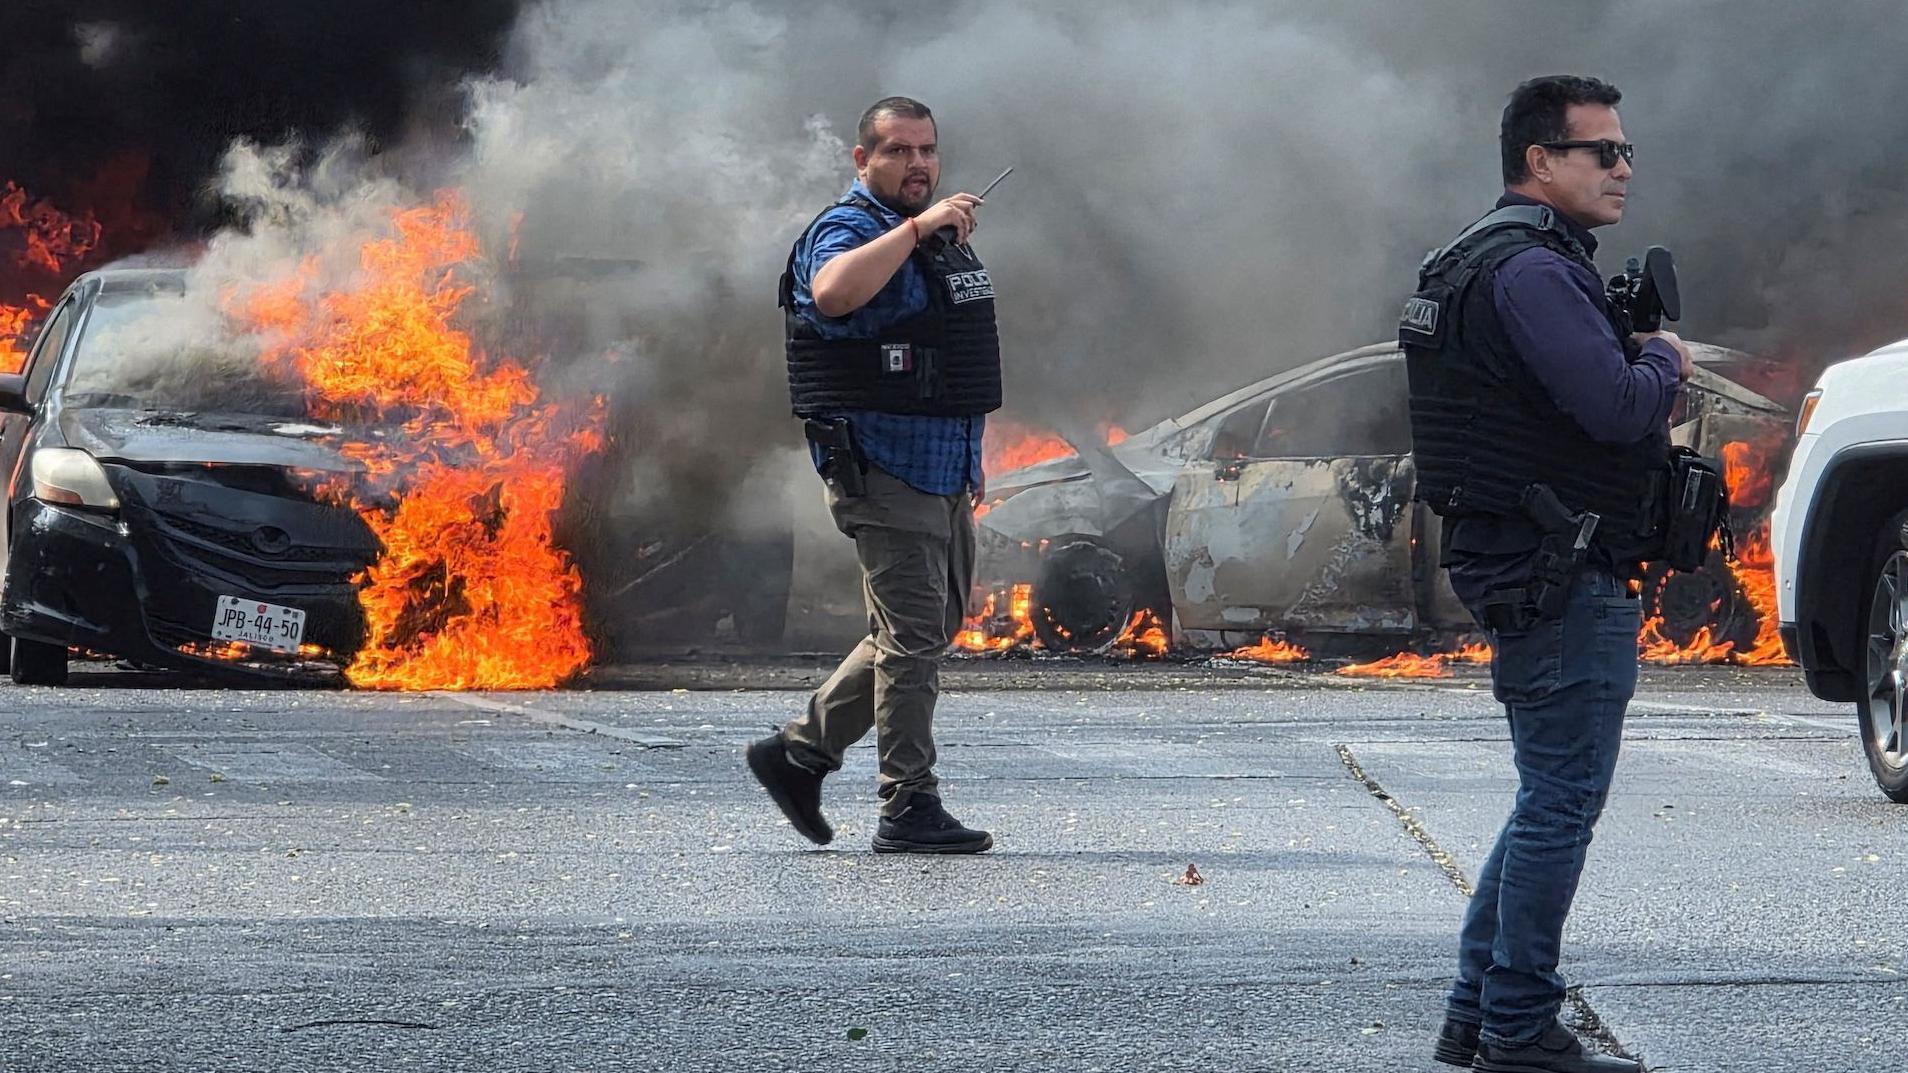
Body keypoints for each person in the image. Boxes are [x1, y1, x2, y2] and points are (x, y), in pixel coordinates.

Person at [1400, 75, 1692, 1073]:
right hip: (1562, 569)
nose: (1623, 168)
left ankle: (1476, 1015)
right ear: (1540, 160)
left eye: (1626, 150)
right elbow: (1616, 405)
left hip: (1531, 561)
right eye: (1601, 151)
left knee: (1545, 798)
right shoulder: (1531, 270)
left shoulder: (1477, 258)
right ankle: (1519, 1026)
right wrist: (1665, 359)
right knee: (1561, 803)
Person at [747, 96, 999, 855]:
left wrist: (970, 459)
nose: (917, 164)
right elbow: (833, 294)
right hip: (882, 463)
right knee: (913, 637)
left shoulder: (933, 238)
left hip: (940, 465)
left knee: (923, 629)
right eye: (897, 151)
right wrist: (917, 230)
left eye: (927, 150)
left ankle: (800, 753)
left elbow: (948, 355)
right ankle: (908, 802)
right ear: (863, 160)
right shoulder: (849, 228)